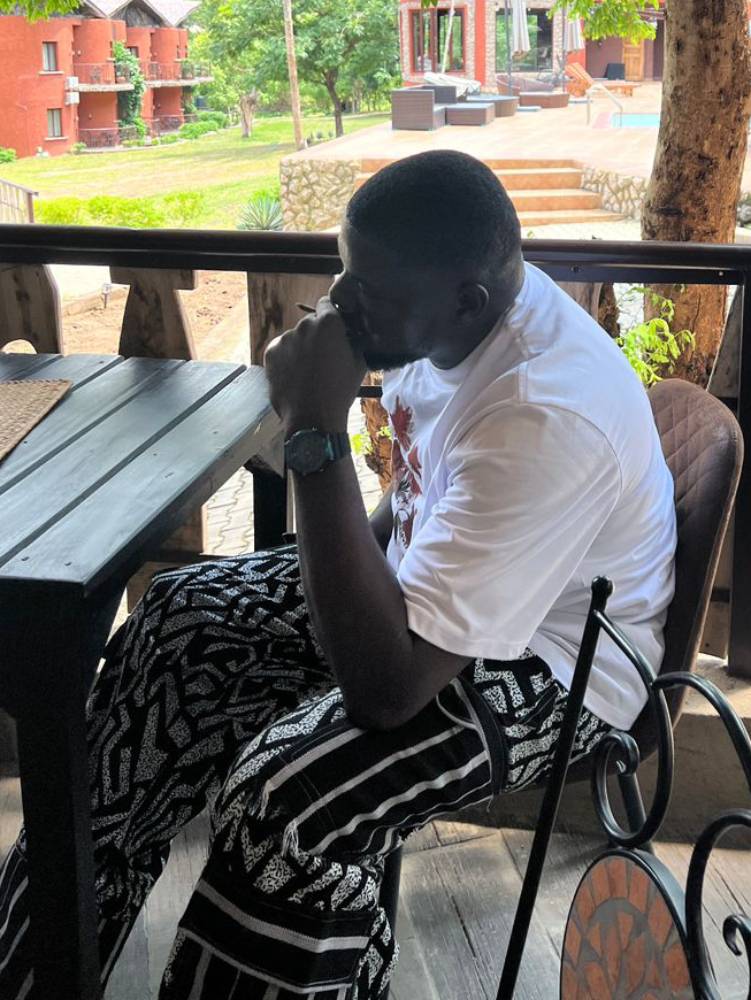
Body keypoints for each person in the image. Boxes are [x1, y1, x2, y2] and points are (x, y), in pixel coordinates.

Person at [0, 150, 676, 999]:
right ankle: (38, 966)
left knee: (288, 802)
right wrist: (329, 567)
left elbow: (386, 691)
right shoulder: (441, 318)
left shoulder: (542, 412)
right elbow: (417, 498)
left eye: (370, 290)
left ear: (468, 297)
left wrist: (314, 427)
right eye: (345, 269)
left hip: (560, 669)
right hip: (447, 608)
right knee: (178, 623)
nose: (342, 300)